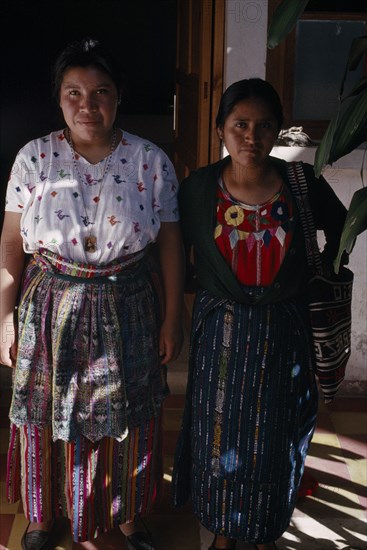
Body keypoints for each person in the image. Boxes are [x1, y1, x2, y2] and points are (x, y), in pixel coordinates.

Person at [0, 37, 184, 549]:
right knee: (44, 409)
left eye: (100, 92)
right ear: (58, 98)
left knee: (128, 410)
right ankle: (41, 515)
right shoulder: (34, 158)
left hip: (129, 304)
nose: (88, 105)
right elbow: (12, 242)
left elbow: (170, 242)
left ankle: (126, 517)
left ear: (118, 96)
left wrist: (173, 317)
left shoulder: (150, 161)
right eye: (73, 92)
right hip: (50, 306)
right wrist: (5, 319)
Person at [172, 78, 348, 549]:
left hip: (282, 333)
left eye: (264, 126)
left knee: (274, 438)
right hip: (220, 336)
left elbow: (342, 230)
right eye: (240, 124)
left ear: (278, 131)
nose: (252, 136)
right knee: (217, 433)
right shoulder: (197, 189)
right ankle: (223, 533)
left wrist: (319, 277)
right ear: (221, 129)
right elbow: (174, 249)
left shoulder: (301, 184)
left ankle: (265, 530)